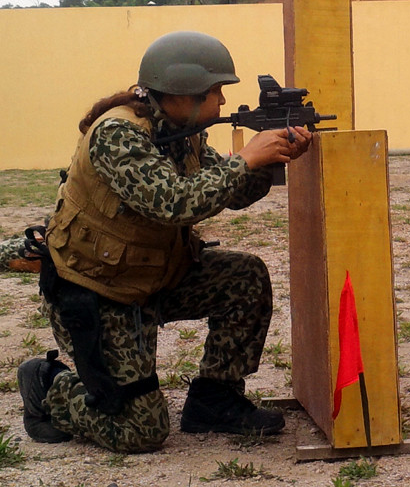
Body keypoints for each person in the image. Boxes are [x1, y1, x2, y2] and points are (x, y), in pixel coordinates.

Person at [17, 31, 311, 453]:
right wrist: (246, 158)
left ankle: (215, 400)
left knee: (244, 276)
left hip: (154, 279)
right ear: (183, 93)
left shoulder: (183, 130)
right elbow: (173, 204)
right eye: (215, 92)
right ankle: (48, 387)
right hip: (102, 294)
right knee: (141, 430)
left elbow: (232, 192)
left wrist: (271, 158)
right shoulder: (118, 135)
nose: (222, 103)